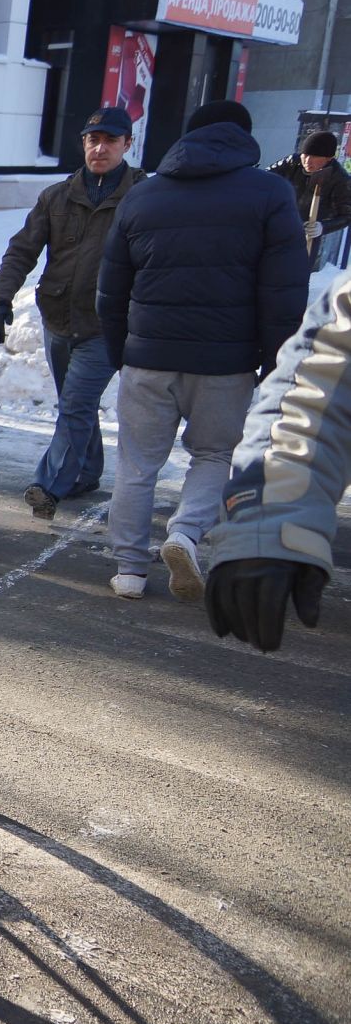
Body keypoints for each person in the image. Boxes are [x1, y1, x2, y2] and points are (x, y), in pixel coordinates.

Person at [96, 99, 308, 602]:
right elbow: (284, 292)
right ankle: (185, 534)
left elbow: (110, 288)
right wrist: (276, 361)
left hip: (147, 356)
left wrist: (120, 351)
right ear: (244, 137)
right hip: (226, 361)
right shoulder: (271, 193)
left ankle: (128, 569)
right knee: (213, 455)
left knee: (136, 462)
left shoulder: (143, 196)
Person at [0, 106, 145, 520]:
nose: (100, 148)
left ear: (127, 144)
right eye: (93, 140)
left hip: (108, 325)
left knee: (76, 402)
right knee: (76, 402)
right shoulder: (57, 196)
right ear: (83, 144)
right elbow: (22, 249)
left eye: (110, 140)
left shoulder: (143, 196)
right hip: (58, 318)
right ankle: (88, 471)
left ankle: (49, 485)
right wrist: (0, 299)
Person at [204, 268, 348, 651]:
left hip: (167, 353)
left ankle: (145, 556)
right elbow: (331, 364)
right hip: (223, 356)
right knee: (206, 454)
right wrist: (273, 508)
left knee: (199, 454)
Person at [266, 130, 351, 270]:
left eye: (314, 157)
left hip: (307, 233)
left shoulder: (340, 179)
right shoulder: (292, 162)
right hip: (278, 226)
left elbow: (347, 215)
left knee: (296, 275)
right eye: (305, 155)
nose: (307, 161)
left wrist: (322, 226)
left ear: (328, 158)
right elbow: (265, 177)